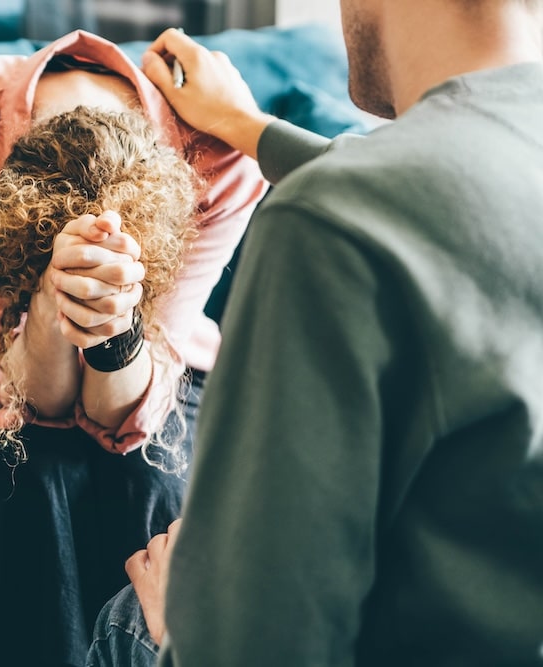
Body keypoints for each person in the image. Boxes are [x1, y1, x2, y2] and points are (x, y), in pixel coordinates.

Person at [87, 1, 543, 665]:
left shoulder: (333, 224)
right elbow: (458, 202)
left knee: (130, 620)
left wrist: (177, 633)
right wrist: (248, 128)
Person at [0, 29, 266, 667]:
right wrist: (48, 303)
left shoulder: (219, 149)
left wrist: (116, 330)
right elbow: (32, 402)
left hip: (161, 379)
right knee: (33, 474)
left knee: (147, 470)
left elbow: (122, 419)